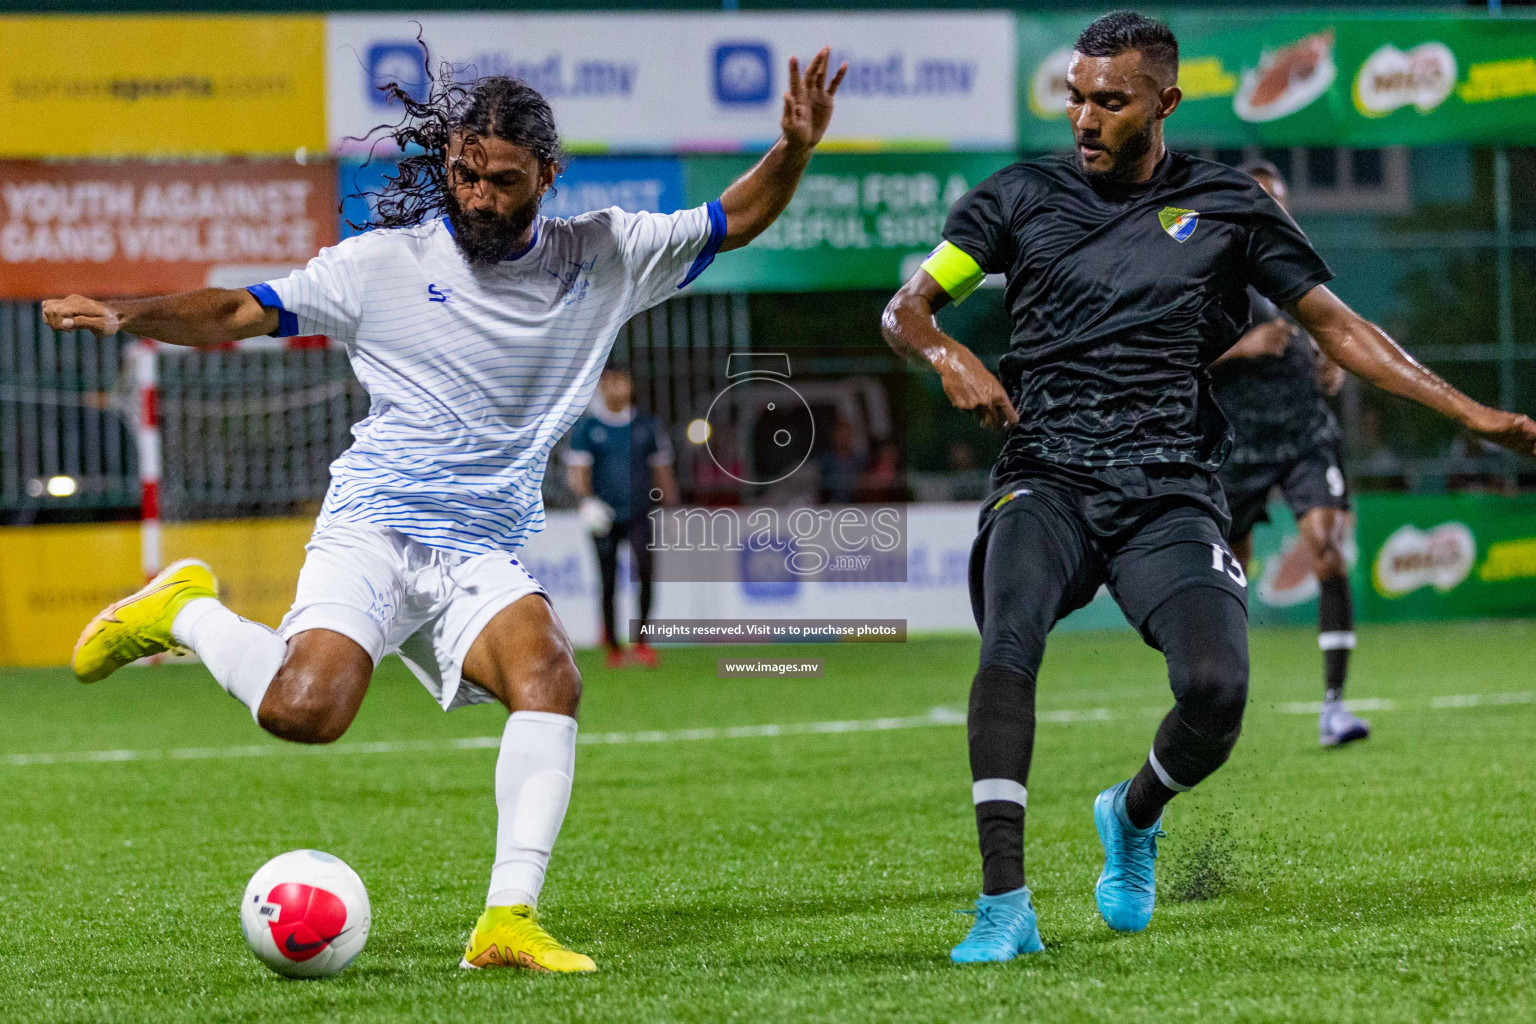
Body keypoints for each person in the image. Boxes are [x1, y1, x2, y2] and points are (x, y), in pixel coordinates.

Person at [49, 50, 847, 973]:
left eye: (501, 180)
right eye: (464, 174)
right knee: (306, 713)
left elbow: (734, 218)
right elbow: (238, 307)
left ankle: (508, 919)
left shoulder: (605, 255)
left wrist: (792, 148)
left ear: (548, 178)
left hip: (480, 547)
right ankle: (179, 608)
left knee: (549, 674)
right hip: (375, 526)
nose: (475, 194)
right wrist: (126, 315)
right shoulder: (381, 266)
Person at [880, 10, 1536, 964]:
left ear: (1166, 103)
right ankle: (1003, 904)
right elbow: (907, 308)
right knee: (1007, 644)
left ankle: (1134, 813)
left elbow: (1337, 325)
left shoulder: (1230, 207)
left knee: (1218, 688)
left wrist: (1472, 412)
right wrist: (943, 352)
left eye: (1111, 101)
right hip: (1046, 475)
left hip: (1171, 488)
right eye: (1075, 98)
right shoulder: (1018, 197)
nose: (1085, 119)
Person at [1208, 160, 1369, 748]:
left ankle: (1334, 707)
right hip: (1236, 442)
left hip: (1304, 435)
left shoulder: (1299, 271)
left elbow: (1336, 333)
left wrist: (1332, 360)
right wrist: (1243, 345)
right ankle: (1217, 705)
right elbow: (1171, 360)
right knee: (1228, 574)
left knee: (1327, 553)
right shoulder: (1208, 275)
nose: (1274, 212)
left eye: (1280, 202)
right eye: (1262, 201)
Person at [564, 361, 676, 669]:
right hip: (604, 516)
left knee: (647, 574)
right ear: (601, 386)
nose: (616, 388)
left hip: (641, 512)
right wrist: (587, 501)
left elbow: (662, 469)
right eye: (610, 382)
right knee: (608, 580)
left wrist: (671, 502)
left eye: (621, 381)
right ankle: (613, 647)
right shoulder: (588, 428)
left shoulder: (647, 426)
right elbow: (578, 472)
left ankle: (642, 643)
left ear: (631, 386)